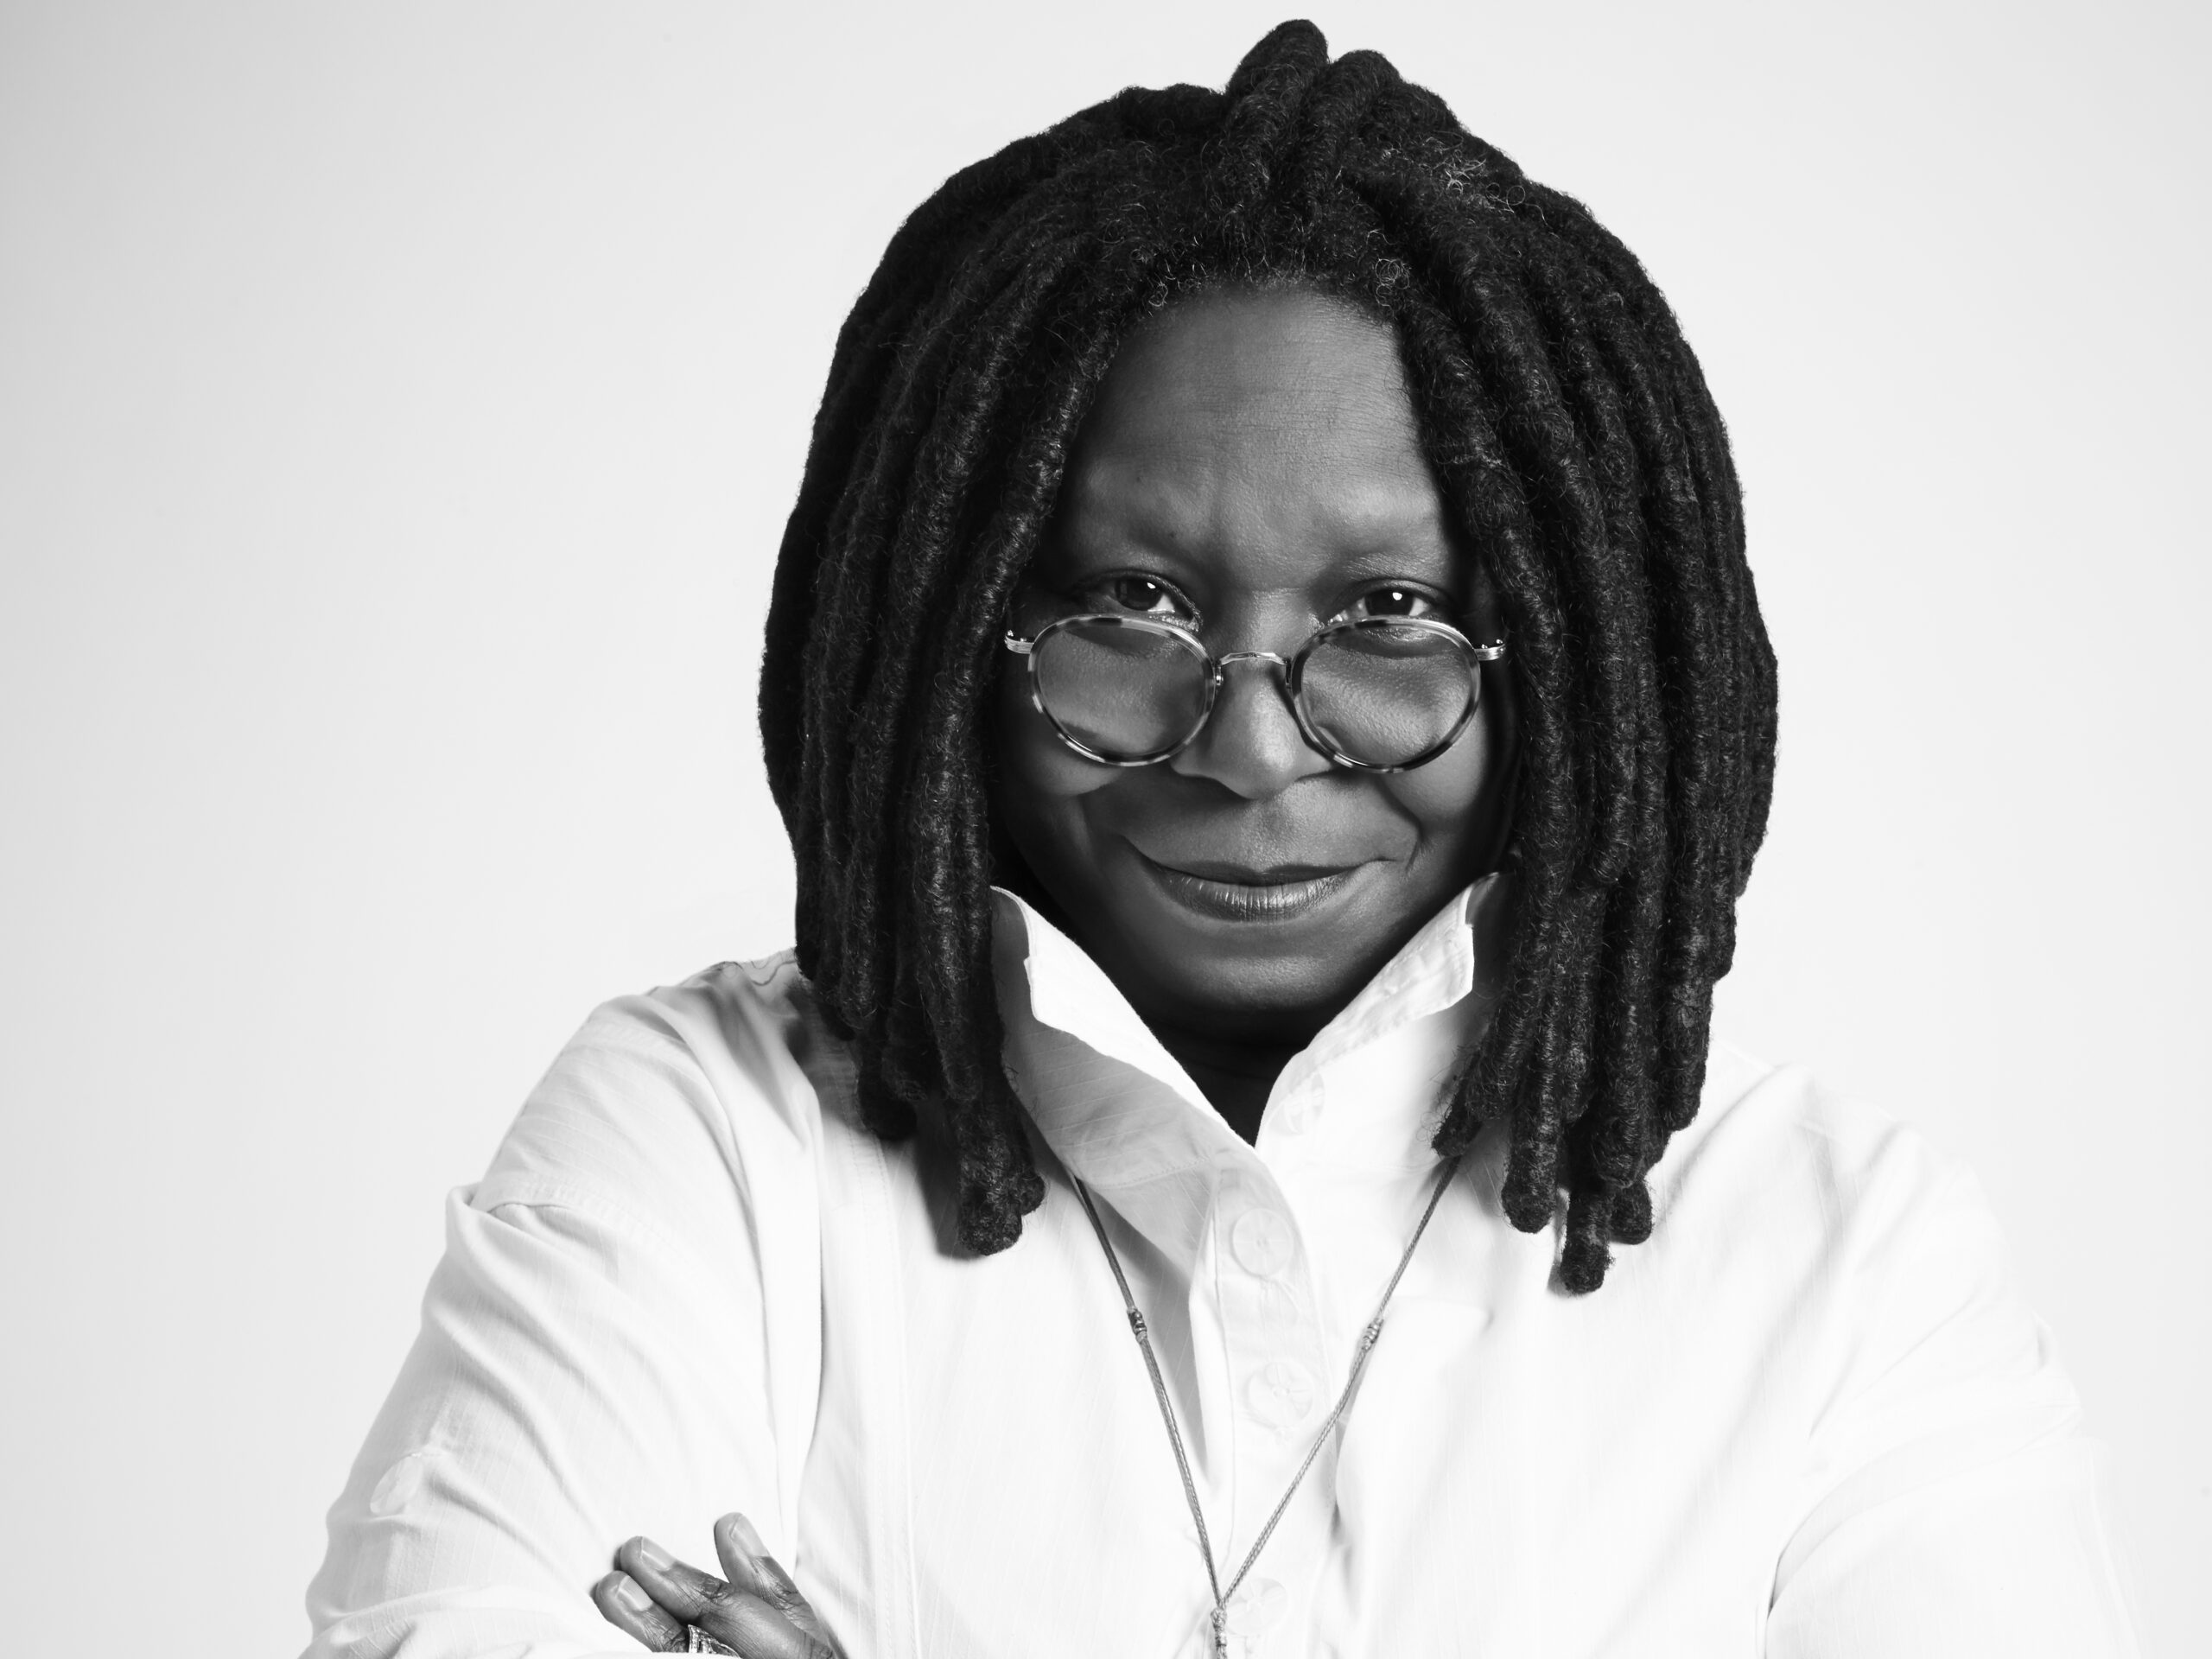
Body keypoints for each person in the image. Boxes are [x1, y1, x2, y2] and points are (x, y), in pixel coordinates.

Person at [302, 22, 2139, 1658]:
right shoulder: (707, 1142)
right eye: (1130, 605)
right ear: (950, 628)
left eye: (1392, 611)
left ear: (1576, 659)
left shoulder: (1838, 1264)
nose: (1250, 748)